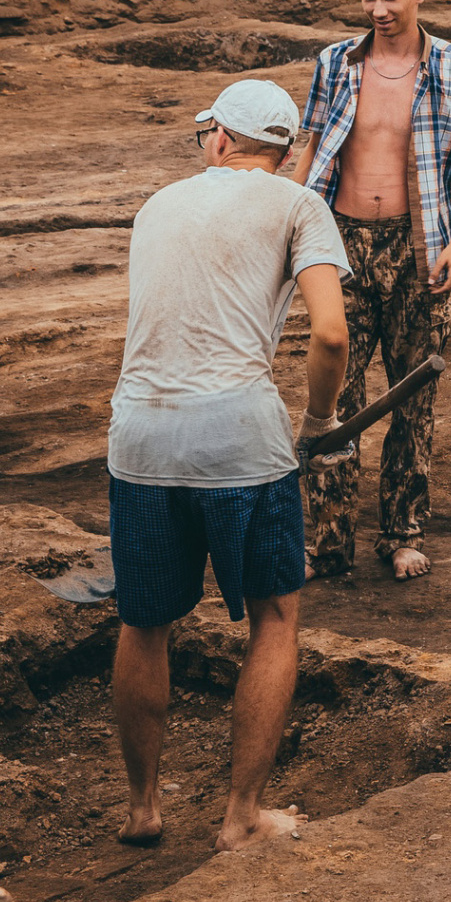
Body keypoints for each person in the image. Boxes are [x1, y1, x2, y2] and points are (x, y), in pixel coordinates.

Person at [107, 78, 350, 852]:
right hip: (240, 443)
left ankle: (142, 809)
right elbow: (333, 336)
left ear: (217, 138)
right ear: (281, 152)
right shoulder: (298, 205)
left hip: (140, 435)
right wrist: (320, 423)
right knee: (275, 615)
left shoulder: (158, 204)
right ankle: (241, 816)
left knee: (144, 622)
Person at [293, 0, 451, 581]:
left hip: (418, 247)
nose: (378, 9)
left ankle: (402, 534)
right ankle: (326, 541)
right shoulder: (335, 64)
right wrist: (291, 220)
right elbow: (313, 145)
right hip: (341, 243)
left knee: (413, 397)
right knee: (335, 397)